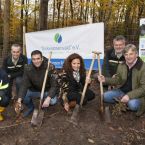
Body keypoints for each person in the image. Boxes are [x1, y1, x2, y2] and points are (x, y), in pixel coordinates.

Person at [98, 44, 145, 116]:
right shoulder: (122, 65)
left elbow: (143, 88)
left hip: (138, 95)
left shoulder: (142, 68)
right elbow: (118, 80)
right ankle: (123, 101)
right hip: (122, 91)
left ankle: (126, 102)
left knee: (132, 105)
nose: (128, 57)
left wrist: (129, 96)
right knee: (104, 96)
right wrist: (105, 80)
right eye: (126, 54)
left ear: (136, 54)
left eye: (131, 54)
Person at [16, 50, 58, 117]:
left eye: (38, 58)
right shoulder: (28, 68)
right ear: (31, 60)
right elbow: (24, 84)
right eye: (34, 59)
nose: (36, 61)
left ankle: (44, 102)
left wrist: (48, 98)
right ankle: (31, 107)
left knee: (53, 101)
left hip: (46, 90)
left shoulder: (50, 67)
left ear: (42, 58)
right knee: (24, 97)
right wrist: (19, 100)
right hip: (34, 90)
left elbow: (54, 85)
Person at [58, 53, 95, 124]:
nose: (76, 65)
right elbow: (63, 89)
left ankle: (73, 103)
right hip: (68, 92)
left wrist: (88, 82)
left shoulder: (82, 71)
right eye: (74, 63)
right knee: (83, 99)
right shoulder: (64, 73)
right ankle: (70, 104)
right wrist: (65, 102)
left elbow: (84, 87)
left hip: (78, 90)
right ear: (70, 63)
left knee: (91, 95)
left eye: (78, 63)